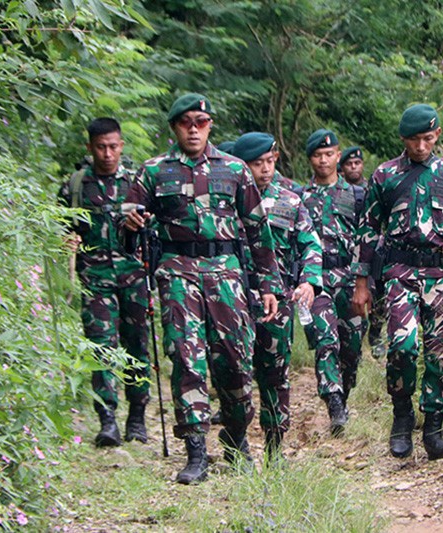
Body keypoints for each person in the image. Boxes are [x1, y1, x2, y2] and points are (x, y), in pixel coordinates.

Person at [122, 93, 282, 485]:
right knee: (187, 358)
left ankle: (237, 437)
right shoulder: (153, 172)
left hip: (226, 273)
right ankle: (196, 450)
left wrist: (268, 285)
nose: (194, 129)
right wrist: (130, 225)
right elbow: (128, 226)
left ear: (210, 126)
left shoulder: (235, 170)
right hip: (177, 273)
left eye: (202, 122)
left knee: (234, 361)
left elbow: (258, 231)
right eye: (186, 122)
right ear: (174, 127)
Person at [352, 104, 443, 460]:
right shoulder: (384, 176)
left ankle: (434, 429)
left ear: (437, 135)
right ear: (403, 139)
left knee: (439, 353)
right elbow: (366, 229)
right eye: (414, 140)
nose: (421, 146)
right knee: (403, 346)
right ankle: (402, 414)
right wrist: (361, 281)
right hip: (400, 273)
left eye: (427, 138)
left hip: (442, 275)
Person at [58, 117, 150, 448]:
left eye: (113, 146)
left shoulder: (138, 182)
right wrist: (67, 239)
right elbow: (62, 224)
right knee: (100, 347)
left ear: (122, 146)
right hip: (94, 277)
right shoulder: (77, 185)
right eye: (101, 147)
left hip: (134, 276)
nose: (108, 153)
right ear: (90, 147)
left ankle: (137, 416)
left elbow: (154, 227)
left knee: (136, 344)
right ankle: (107, 418)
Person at [231, 132, 323, 460]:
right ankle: (236, 443)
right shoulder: (226, 199)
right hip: (234, 298)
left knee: (275, 374)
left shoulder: (289, 201)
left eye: (271, 161)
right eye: (258, 164)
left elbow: (310, 244)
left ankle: (274, 447)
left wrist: (310, 281)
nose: (267, 169)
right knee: (234, 372)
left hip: (277, 303)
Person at [300, 129, 366, 436]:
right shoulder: (299, 198)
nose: (323, 160)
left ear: (338, 156)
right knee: (327, 342)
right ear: (310, 159)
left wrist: (368, 283)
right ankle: (335, 403)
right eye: (317, 155)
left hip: (350, 279)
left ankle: (344, 391)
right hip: (317, 281)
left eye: (329, 154)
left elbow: (368, 239)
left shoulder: (357, 196)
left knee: (351, 348)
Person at [339, 146, 387, 358]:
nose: (354, 167)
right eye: (349, 164)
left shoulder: (371, 187)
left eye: (357, 163)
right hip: (346, 253)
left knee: (377, 295)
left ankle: (375, 335)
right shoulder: (338, 191)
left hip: (371, 251)